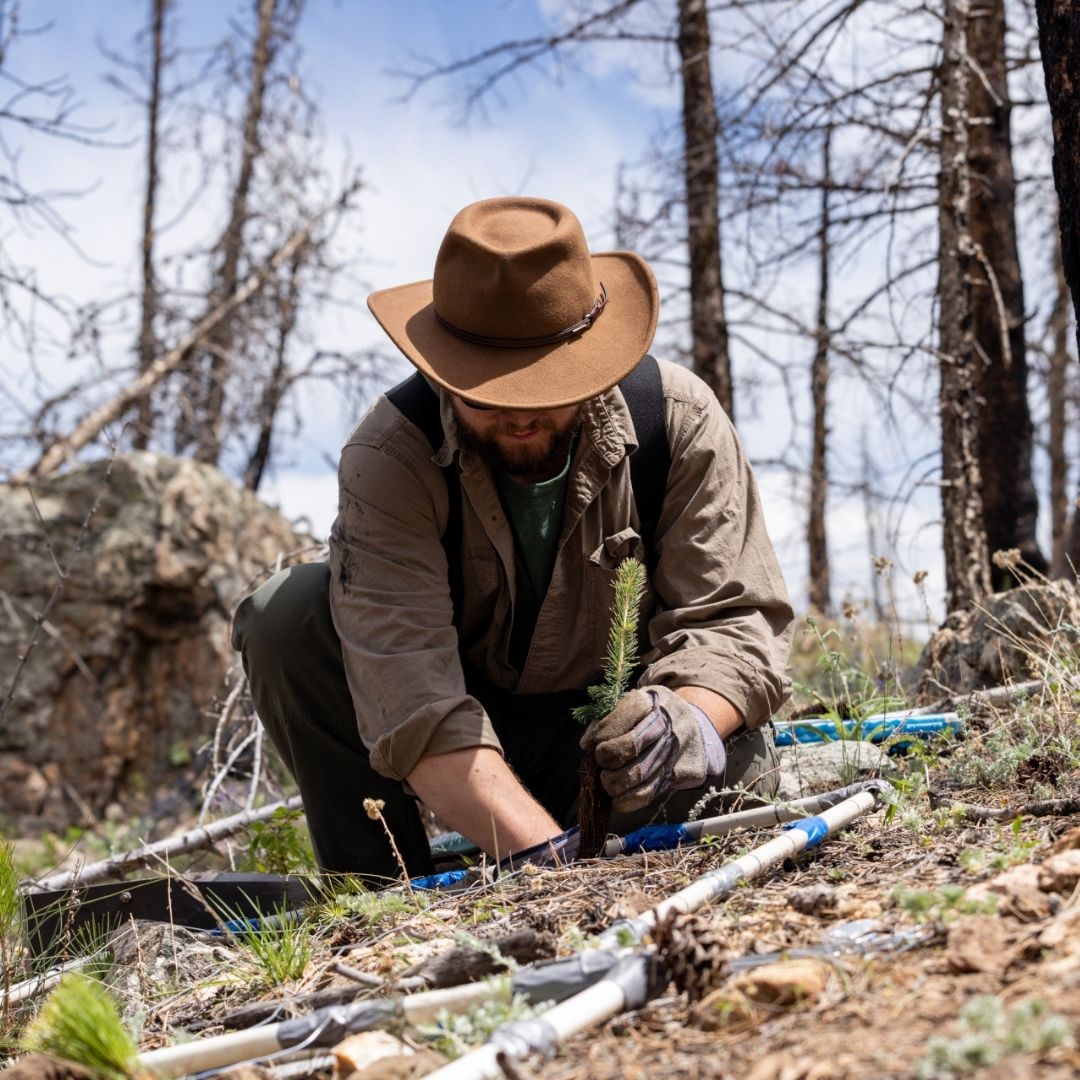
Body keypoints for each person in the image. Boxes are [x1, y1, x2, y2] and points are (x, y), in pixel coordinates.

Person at [232, 196, 794, 881]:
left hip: (617, 741)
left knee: (740, 772)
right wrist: (553, 870)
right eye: (485, 392)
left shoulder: (677, 420)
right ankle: (381, 891)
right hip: (468, 748)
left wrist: (685, 720)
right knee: (284, 616)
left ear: (588, 360)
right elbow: (412, 696)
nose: (516, 416)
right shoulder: (390, 457)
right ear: (441, 368)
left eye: (542, 388)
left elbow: (737, 621)